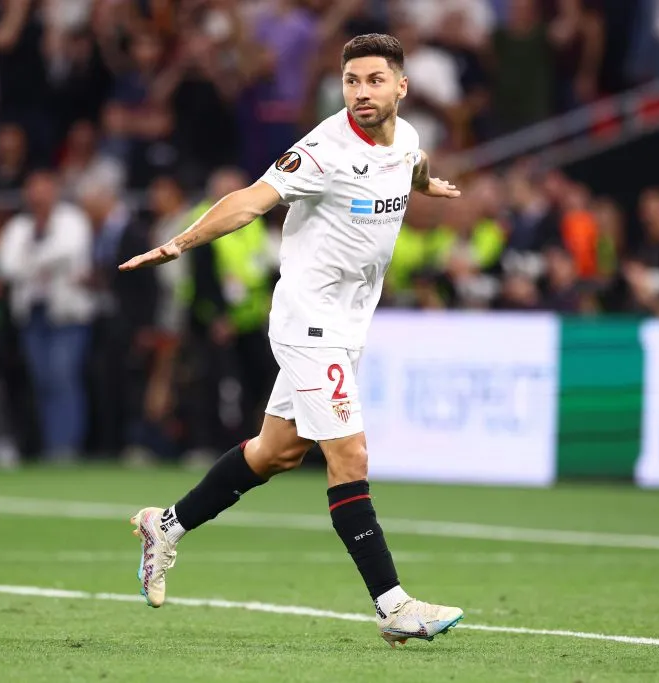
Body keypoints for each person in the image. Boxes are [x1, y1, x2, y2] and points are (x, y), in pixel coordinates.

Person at [119, 33, 464, 646]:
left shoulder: (407, 138)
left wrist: (426, 184)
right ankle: (393, 606)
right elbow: (249, 202)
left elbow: (411, 160)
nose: (361, 92)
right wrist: (179, 243)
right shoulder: (324, 149)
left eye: (374, 80)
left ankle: (164, 526)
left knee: (275, 452)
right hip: (309, 322)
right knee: (350, 456)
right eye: (351, 81)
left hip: (348, 325)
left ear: (401, 87)